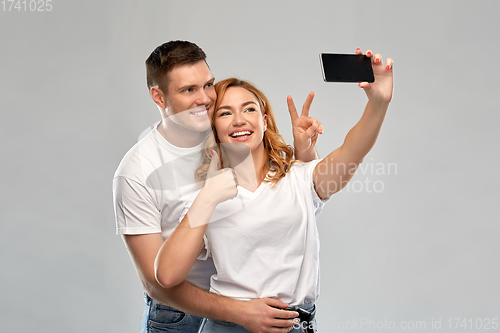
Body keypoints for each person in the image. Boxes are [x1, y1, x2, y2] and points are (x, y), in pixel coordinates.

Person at [154, 49, 394, 332]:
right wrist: (207, 198)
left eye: (249, 109)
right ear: (213, 128)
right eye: (225, 112)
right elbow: (167, 275)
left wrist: (378, 103)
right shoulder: (205, 194)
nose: (239, 119)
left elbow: (352, 151)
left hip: (296, 325)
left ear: (265, 121)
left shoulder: (301, 178)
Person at [112, 40, 322, 333]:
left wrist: (305, 154)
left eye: (208, 85)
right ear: (158, 97)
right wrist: (238, 312)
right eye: (188, 90)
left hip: (252, 307)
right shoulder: (136, 172)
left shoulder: (231, 130)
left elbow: (289, 199)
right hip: (180, 315)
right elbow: (155, 282)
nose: (205, 99)